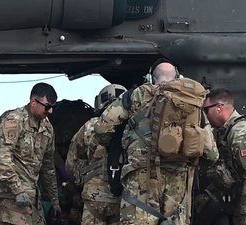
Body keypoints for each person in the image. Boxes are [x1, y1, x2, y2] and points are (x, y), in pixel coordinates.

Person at [94, 58, 219, 225]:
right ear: (177, 77)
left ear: (151, 78)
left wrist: (117, 147)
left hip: (141, 179)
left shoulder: (135, 95)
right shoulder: (193, 102)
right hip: (179, 184)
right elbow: (211, 155)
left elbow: (102, 129)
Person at [0, 82, 61, 225]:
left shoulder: (47, 129)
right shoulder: (14, 121)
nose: (50, 111)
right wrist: (17, 190)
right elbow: (2, 158)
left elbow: (48, 167)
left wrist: (54, 201)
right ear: (33, 102)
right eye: (47, 106)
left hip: (32, 195)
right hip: (10, 194)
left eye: (53, 107)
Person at [66, 84, 126, 225]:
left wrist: (81, 178)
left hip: (94, 198)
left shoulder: (90, 126)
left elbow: (70, 164)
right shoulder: (132, 126)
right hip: (123, 197)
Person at [196, 88, 246, 225]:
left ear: (219, 108)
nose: (205, 116)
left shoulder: (240, 132)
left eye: (206, 110)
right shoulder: (225, 131)